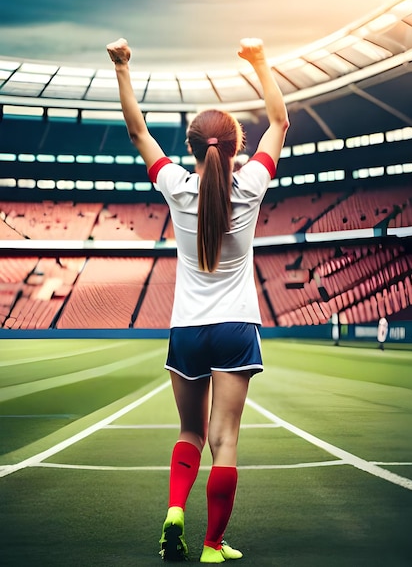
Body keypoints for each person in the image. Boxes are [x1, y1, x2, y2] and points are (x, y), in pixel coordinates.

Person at [107, 37, 289, 563]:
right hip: (236, 328)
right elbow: (279, 124)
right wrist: (259, 61)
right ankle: (212, 545)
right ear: (234, 147)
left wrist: (122, 67)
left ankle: (174, 513)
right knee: (223, 439)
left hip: (186, 329)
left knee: (189, 429)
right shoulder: (252, 184)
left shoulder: (176, 187)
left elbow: (137, 131)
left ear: (192, 148)